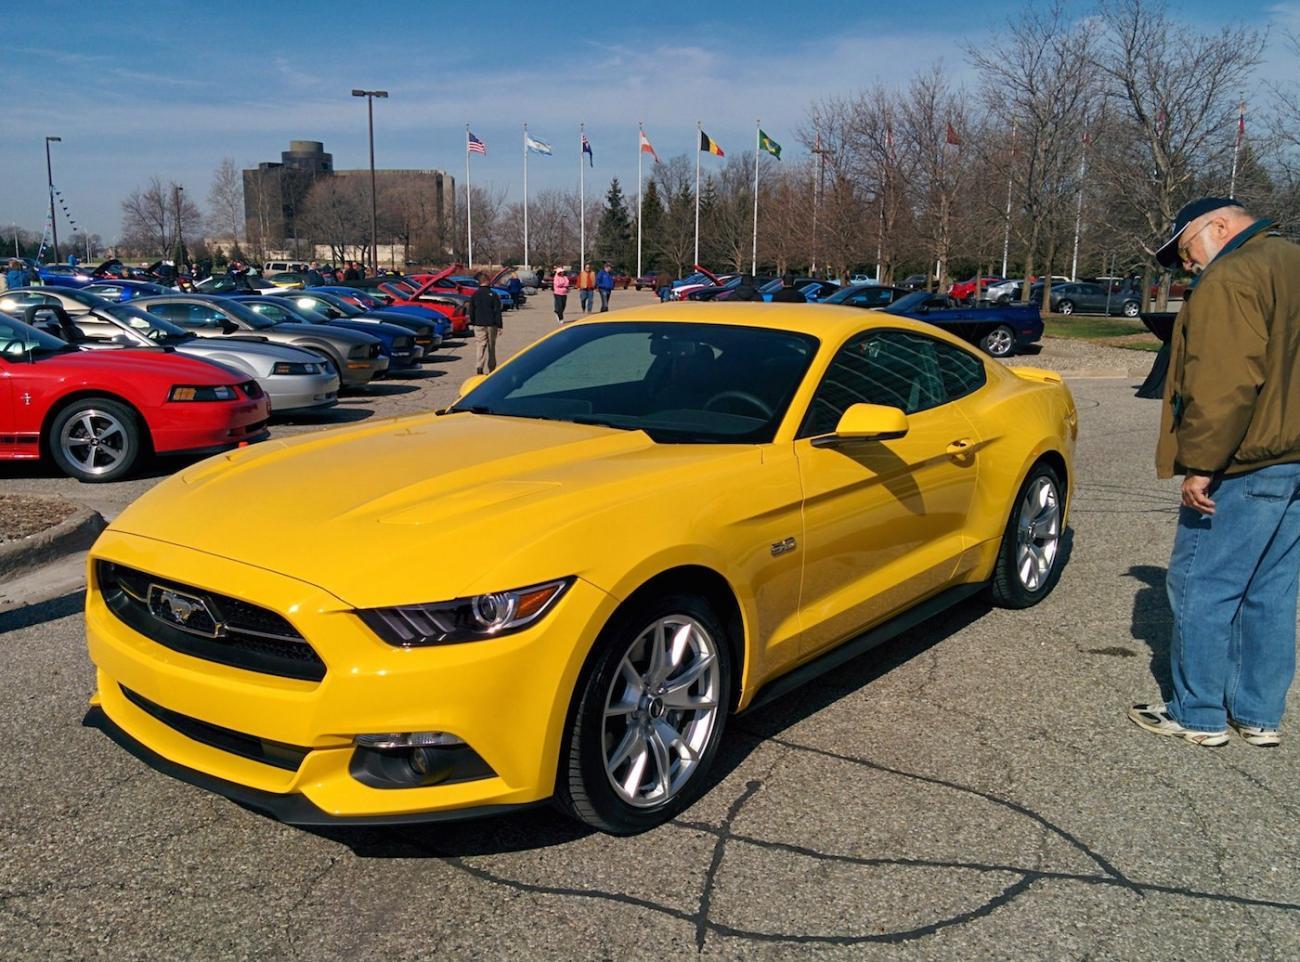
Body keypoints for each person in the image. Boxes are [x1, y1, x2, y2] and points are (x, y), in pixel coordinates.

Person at [1127, 197, 1300, 749]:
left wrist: (1201, 466)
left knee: (1202, 583)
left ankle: (1198, 712)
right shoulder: (1292, 262)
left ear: (1219, 226)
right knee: (1273, 590)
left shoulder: (1232, 277)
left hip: (1247, 459)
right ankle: (1258, 714)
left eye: (1186, 252)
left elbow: (1225, 383)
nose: (1188, 267)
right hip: (1294, 458)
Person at [467, 272, 503, 374]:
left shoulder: (475, 295)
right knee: (491, 346)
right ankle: (491, 367)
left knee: (480, 345)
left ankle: (479, 366)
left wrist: (472, 321)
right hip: (491, 324)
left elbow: (471, 310)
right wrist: (499, 325)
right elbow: (497, 311)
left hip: (479, 323)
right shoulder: (493, 294)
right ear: (487, 281)